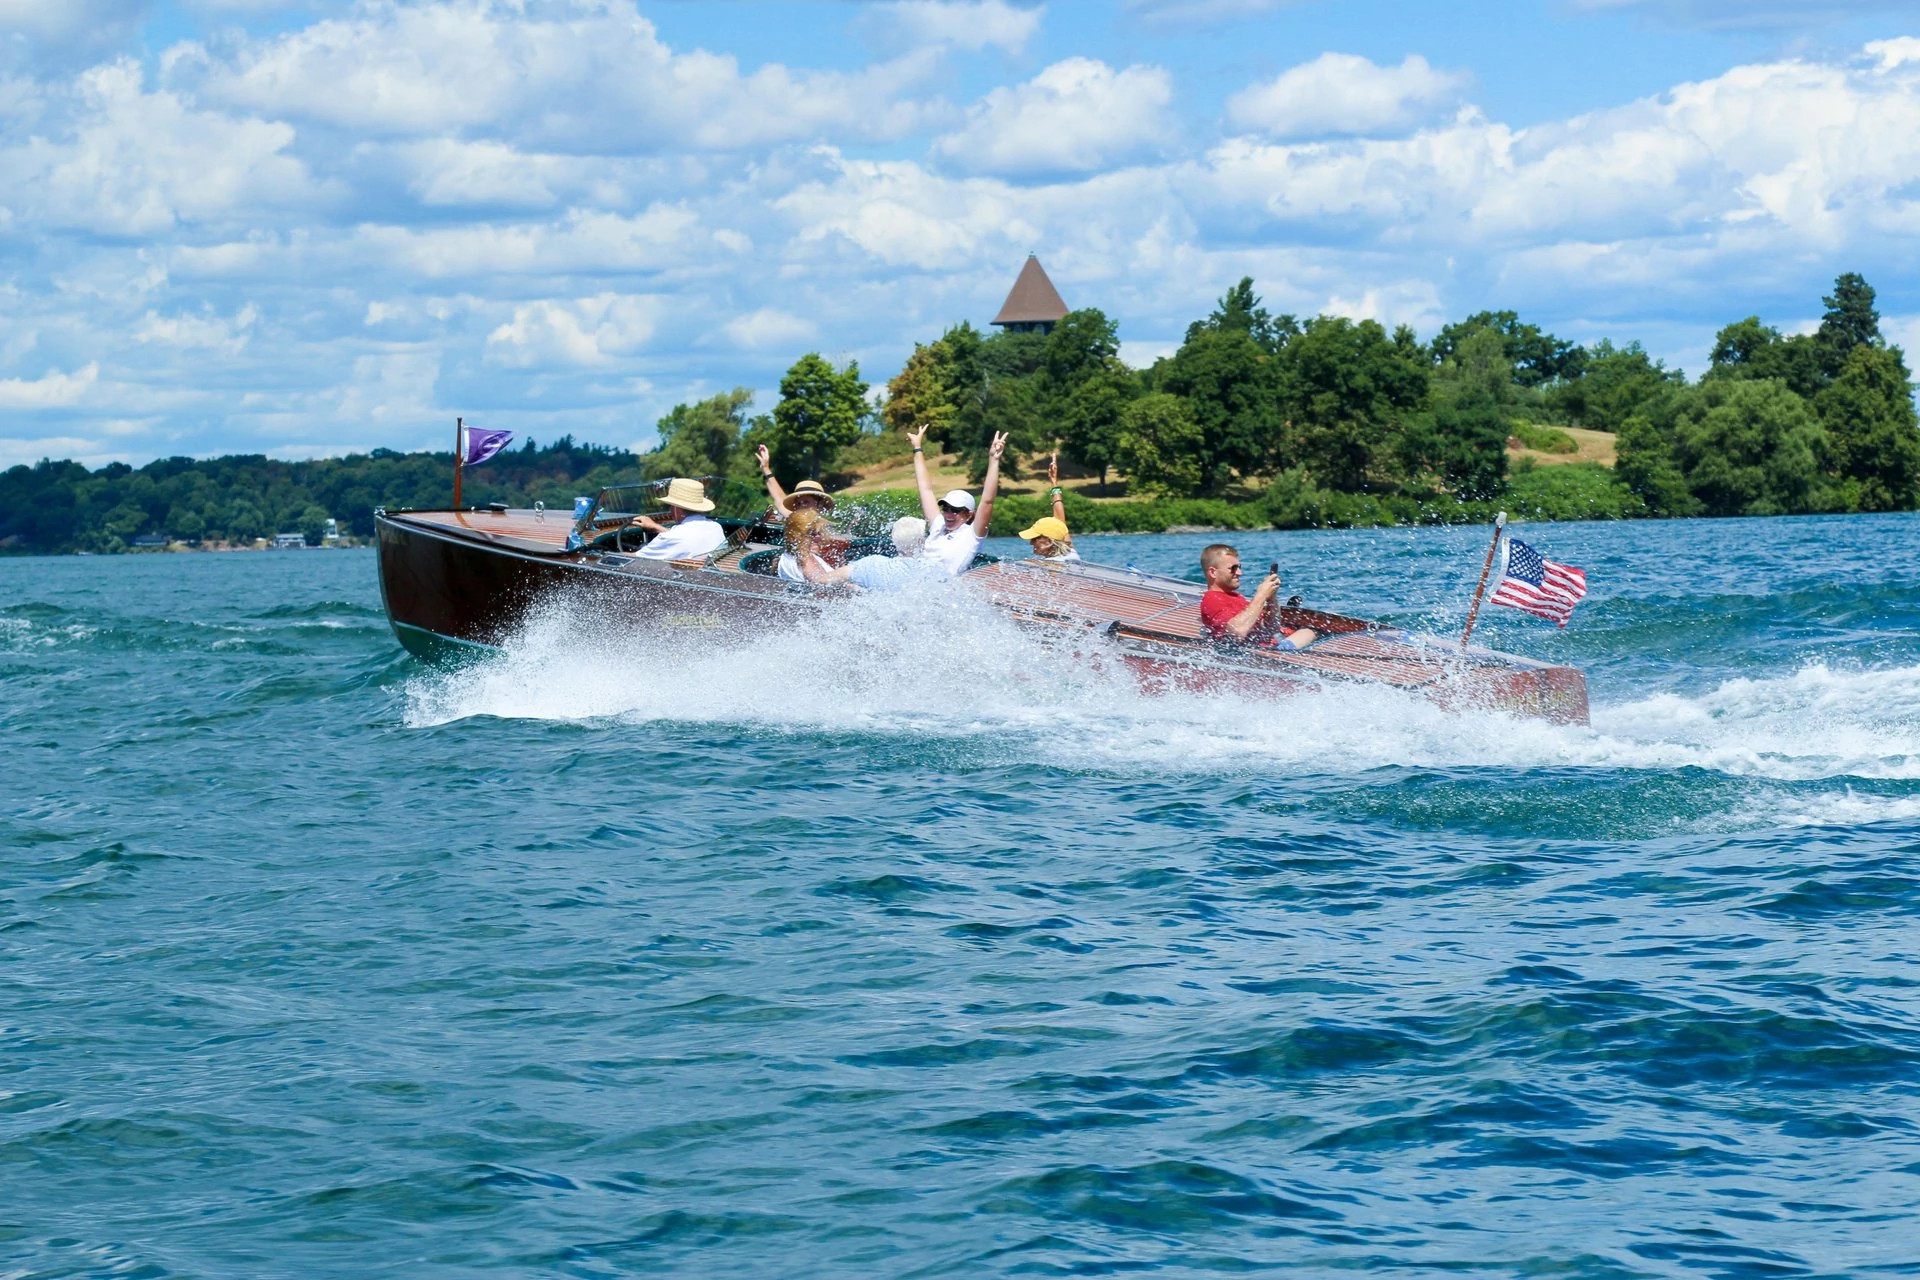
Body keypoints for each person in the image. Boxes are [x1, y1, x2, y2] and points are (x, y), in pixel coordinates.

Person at [907, 424, 1006, 577]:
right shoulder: (938, 525)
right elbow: (925, 489)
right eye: (945, 508)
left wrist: (994, 460)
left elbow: (987, 501)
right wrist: (918, 448)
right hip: (919, 582)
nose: (948, 514)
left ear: (969, 515)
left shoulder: (972, 536)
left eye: (955, 510)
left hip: (945, 589)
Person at [1198, 543, 1317, 648]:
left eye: (1239, 567)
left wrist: (1271, 598)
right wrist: (1261, 594)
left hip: (1263, 647)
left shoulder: (1236, 597)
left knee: (1307, 632)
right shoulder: (1212, 599)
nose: (1240, 573)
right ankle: (1284, 650)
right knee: (1307, 633)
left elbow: (1271, 628)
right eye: (1232, 569)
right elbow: (1236, 632)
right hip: (1251, 654)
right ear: (1213, 572)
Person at [630, 478, 728, 561]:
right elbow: (688, 535)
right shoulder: (715, 528)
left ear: (677, 509)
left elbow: (634, 558)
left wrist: (617, 554)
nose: (670, 510)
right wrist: (656, 527)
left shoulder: (671, 538)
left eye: (671, 506)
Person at [1019, 451, 1079, 561]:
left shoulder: (1051, 566)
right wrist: (1054, 482)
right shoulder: (1070, 551)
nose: (1031, 543)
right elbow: (1060, 522)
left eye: (1035, 538)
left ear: (1049, 541)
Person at [755, 444, 836, 519]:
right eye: (798, 503)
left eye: (806, 502)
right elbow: (779, 500)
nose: (801, 506)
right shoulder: (793, 519)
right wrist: (765, 468)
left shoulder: (823, 529)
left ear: (820, 505)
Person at [779, 507, 834, 583]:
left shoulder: (795, 556)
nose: (818, 537)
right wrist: (849, 572)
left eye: (819, 533)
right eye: (812, 533)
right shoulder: (805, 559)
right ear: (797, 536)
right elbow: (822, 583)